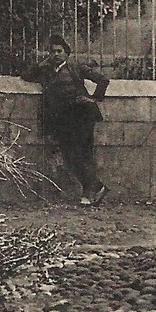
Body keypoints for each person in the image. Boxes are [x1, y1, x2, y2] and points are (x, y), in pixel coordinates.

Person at [21, 36, 109, 207]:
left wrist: (93, 99)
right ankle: (97, 187)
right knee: (69, 158)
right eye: (52, 52)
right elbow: (26, 75)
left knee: (81, 154)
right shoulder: (46, 70)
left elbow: (103, 80)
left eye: (59, 51)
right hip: (63, 120)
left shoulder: (76, 67)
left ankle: (89, 193)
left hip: (82, 116)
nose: (55, 55)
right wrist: (41, 64)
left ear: (66, 53)